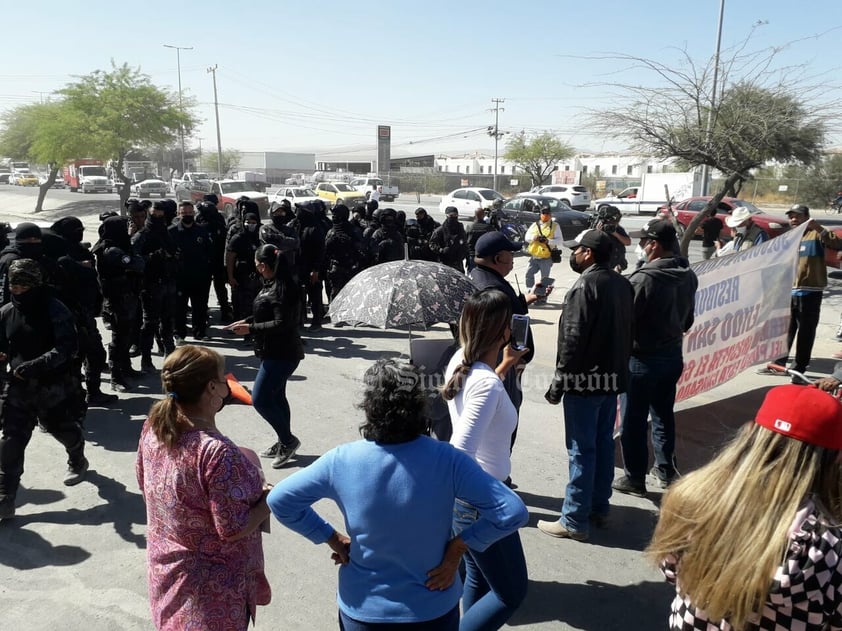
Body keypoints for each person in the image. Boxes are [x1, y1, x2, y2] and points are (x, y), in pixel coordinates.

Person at [267, 358, 527, 630]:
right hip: (432, 610)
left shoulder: (341, 460)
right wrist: (458, 547)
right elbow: (512, 511)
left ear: (370, 405)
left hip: (362, 611)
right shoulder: (448, 460)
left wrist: (331, 538)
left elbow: (280, 500)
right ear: (420, 406)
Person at [648, 384, 842, 630]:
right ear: (837, 458)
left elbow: (671, 570)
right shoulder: (828, 546)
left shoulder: (692, 499)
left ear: (751, 434)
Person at [136, 345, 272, 630]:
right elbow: (234, 528)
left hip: (168, 572)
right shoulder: (216, 453)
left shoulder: (154, 426)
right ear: (212, 387)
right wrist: (270, 499)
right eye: (223, 378)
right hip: (210, 592)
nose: (228, 383)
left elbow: (143, 481)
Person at [443, 288, 530, 630]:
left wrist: (506, 364)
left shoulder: (462, 361)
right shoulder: (485, 383)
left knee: (479, 578)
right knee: (511, 592)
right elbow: (460, 451)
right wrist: (492, 501)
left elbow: (481, 393)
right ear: (504, 331)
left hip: (475, 499)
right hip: (484, 500)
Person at [540, 230, 634, 540]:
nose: (574, 255)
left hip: (585, 383)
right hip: (611, 380)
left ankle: (573, 520)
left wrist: (558, 384)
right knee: (603, 445)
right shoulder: (622, 284)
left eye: (577, 250)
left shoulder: (584, 287)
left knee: (582, 450)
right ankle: (598, 506)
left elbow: (573, 341)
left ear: (589, 254)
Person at [614, 219, 698, 496]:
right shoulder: (688, 274)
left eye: (643, 243)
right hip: (672, 355)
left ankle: (635, 478)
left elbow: (624, 323)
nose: (640, 248)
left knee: (633, 422)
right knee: (663, 416)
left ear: (654, 245)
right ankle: (666, 471)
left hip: (641, 360)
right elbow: (687, 321)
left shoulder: (642, 279)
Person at [0, 260, 87, 520]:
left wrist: (37, 366)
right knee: (12, 439)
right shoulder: (5, 312)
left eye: (23, 285)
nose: (17, 290)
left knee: (61, 430)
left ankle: (77, 456)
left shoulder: (55, 310)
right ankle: (5, 497)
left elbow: (67, 348)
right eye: (13, 284)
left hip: (52, 388)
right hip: (17, 389)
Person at [226, 244, 305, 469]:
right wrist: (246, 321)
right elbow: (265, 312)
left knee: (260, 399)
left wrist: (251, 329)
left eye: (256, 264)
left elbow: (283, 323)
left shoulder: (283, 288)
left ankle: (289, 441)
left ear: (262, 266)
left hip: (283, 353)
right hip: (272, 350)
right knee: (277, 397)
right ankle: (283, 440)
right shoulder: (272, 284)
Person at [758, 204, 840, 383]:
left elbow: (836, 243)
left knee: (806, 331)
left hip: (810, 291)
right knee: (785, 329)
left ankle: (798, 368)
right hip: (790, 290)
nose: (794, 219)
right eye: (791, 216)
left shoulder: (816, 235)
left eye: (798, 216)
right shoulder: (789, 238)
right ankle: (778, 363)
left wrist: (817, 227)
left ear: (807, 218)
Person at [92, 215, 145, 391]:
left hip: (127, 296)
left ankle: (126, 368)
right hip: (117, 300)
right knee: (119, 339)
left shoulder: (120, 246)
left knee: (128, 335)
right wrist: (134, 253)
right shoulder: (112, 250)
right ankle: (116, 377)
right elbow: (138, 264)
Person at [132, 200, 178, 371]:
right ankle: (146, 358)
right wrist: (152, 257)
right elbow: (133, 260)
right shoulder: (142, 235)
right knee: (150, 323)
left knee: (168, 321)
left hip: (168, 282)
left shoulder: (165, 233)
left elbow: (174, 250)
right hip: (150, 285)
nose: (157, 219)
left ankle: (170, 354)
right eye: (154, 216)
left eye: (160, 216)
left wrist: (172, 257)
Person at [169, 201, 214, 344]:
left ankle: (200, 332)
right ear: (178, 214)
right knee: (179, 308)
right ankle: (179, 334)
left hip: (200, 276)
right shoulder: (172, 232)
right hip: (179, 277)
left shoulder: (202, 230)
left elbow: (209, 252)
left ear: (194, 213)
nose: (187, 215)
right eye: (184, 213)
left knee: (200, 306)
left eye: (189, 213)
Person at [523, 205, 562, 291]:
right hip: (534, 257)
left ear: (550, 215)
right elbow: (526, 237)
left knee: (545, 279)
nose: (545, 215)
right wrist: (534, 237)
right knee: (529, 275)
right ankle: (530, 292)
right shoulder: (535, 225)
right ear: (540, 214)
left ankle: (542, 298)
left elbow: (560, 241)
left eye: (547, 213)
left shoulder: (555, 226)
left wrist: (548, 241)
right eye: (543, 213)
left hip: (546, 258)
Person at [591, 205, 630, 272]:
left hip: (616, 266)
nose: (615, 224)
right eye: (612, 222)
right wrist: (598, 232)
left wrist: (615, 233)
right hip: (602, 267)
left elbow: (628, 242)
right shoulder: (597, 229)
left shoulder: (617, 229)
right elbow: (593, 246)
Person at [430, 206, 469, 272]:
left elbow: (465, 243)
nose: (454, 217)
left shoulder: (460, 229)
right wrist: (440, 250)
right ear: (447, 216)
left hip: (458, 262)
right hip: (445, 262)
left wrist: (465, 255)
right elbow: (432, 243)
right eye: (451, 215)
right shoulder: (440, 230)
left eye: (455, 215)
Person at [465, 207, 495, 272]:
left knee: (471, 276)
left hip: (472, 255)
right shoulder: (488, 227)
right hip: (484, 256)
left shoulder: (469, 226)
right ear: (483, 215)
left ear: (475, 215)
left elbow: (465, 241)